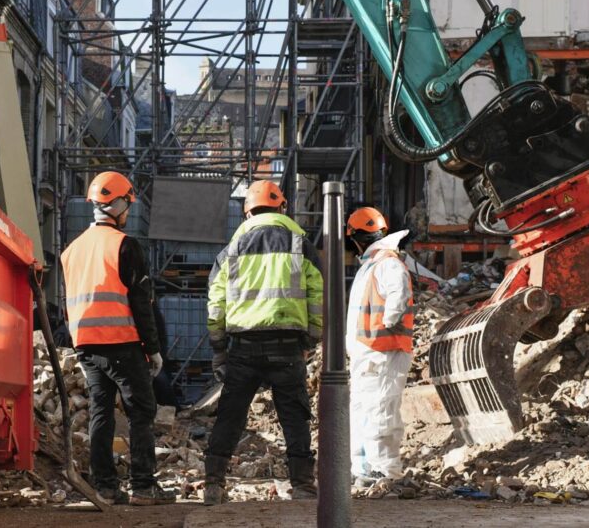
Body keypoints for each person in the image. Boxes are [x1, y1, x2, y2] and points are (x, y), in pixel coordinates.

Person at [204, 180, 324, 505]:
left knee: (230, 414)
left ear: (247, 213)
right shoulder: (300, 242)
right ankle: (302, 485)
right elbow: (316, 294)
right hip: (287, 345)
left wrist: (218, 349)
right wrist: (312, 336)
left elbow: (216, 303)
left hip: (243, 346)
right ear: (282, 208)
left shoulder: (232, 248)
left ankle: (213, 484)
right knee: (294, 416)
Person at [60, 171, 175, 506]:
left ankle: (106, 487)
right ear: (119, 204)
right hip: (122, 343)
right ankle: (142, 487)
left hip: (86, 345)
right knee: (141, 411)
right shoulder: (125, 245)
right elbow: (142, 303)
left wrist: (78, 347)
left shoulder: (71, 251)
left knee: (101, 413)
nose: (129, 212)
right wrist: (153, 350)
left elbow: (70, 303)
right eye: (128, 204)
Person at [345, 207, 414, 485]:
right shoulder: (373, 264)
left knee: (381, 410)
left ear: (356, 237)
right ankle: (362, 469)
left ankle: (385, 471)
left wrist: (387, 321)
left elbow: (398, 292)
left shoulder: (387, 262)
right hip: (370, 351)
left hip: (383, 352)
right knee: (363, 410)